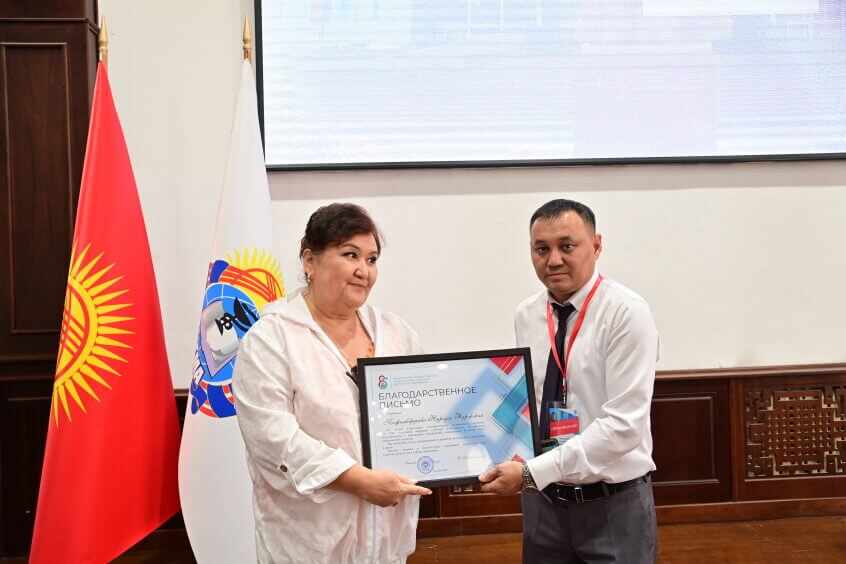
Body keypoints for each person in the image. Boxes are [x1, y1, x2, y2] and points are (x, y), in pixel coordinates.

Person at [233, 203, 432, 563]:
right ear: (310, 260)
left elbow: (423, 414)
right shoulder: (271, 338)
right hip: (308, 541)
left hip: (386, 537)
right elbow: (274, 440)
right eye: (350, 255)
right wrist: (357, 480)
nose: (363, 271)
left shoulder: (396, 333)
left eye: (372, 260)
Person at [479, 198, 659, 563]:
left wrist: (531, 473)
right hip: (544, 502)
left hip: (613, 504)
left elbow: (624, 427)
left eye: (567, 246)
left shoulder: (626, 313)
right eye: (541, 249)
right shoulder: (527, 314)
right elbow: (528, 402)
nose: (553, 260)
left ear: (596, 246)